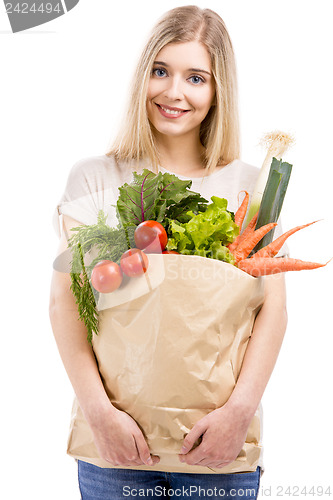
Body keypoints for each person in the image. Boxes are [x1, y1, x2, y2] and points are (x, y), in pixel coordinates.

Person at [49, 5, 288, 499]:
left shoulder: (249, 187)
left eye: (196, 77)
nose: (174, 92)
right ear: (143, 77)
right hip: (116, 449)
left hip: (219, 449)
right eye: (161, 71)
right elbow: (67, 303)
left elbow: (273, 310)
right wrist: (98, 415)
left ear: (218, 90)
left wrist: (239, 414)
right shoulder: (94, 178)